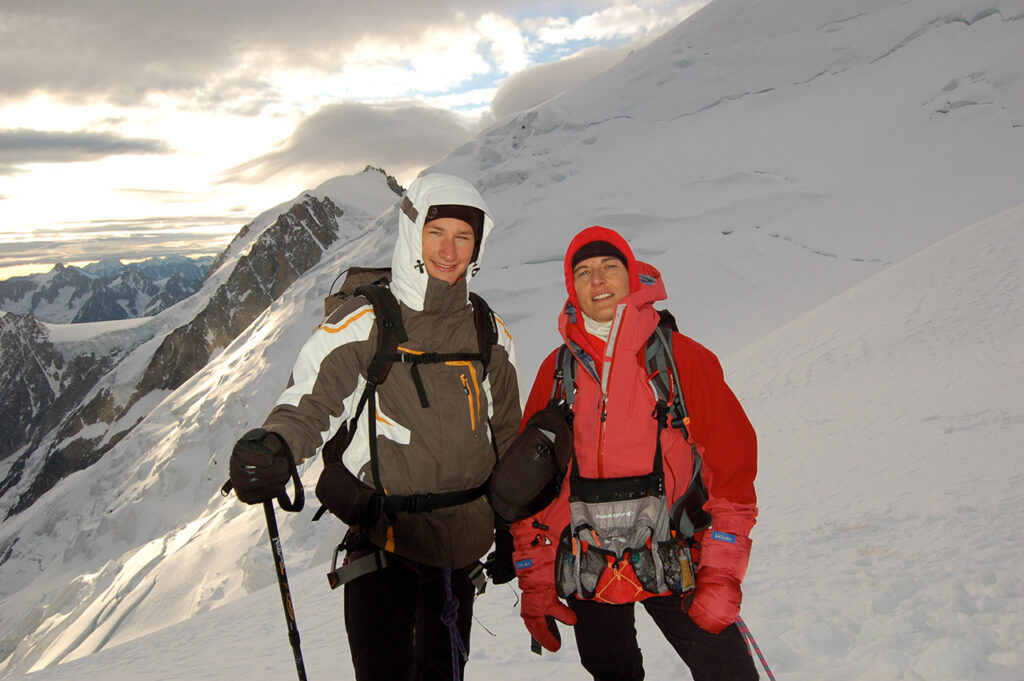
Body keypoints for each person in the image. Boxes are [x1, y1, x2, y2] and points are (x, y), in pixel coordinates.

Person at [228, 173, 522, 681]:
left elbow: (508, 438)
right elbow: (312, 401)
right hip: (385, 548)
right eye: (437, 233)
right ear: (413, 234)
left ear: (478, 244)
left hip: (458, 558)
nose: (449, 251)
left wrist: (512, 529)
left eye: (463, 236)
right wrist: (277, 445)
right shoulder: (367, 320)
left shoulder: (488, 331)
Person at [510, 225, 759, 681]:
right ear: (572, 287)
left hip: (675, 550)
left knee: (729, 673)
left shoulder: (681, 359)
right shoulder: (557, 370)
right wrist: (536, 578)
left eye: (609, 267)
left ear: (631, 275)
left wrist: (722, 573)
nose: (597, 280)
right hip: (589, 564)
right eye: (583, 272)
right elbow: (534, 488)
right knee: (611, 671)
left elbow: (732, 470)